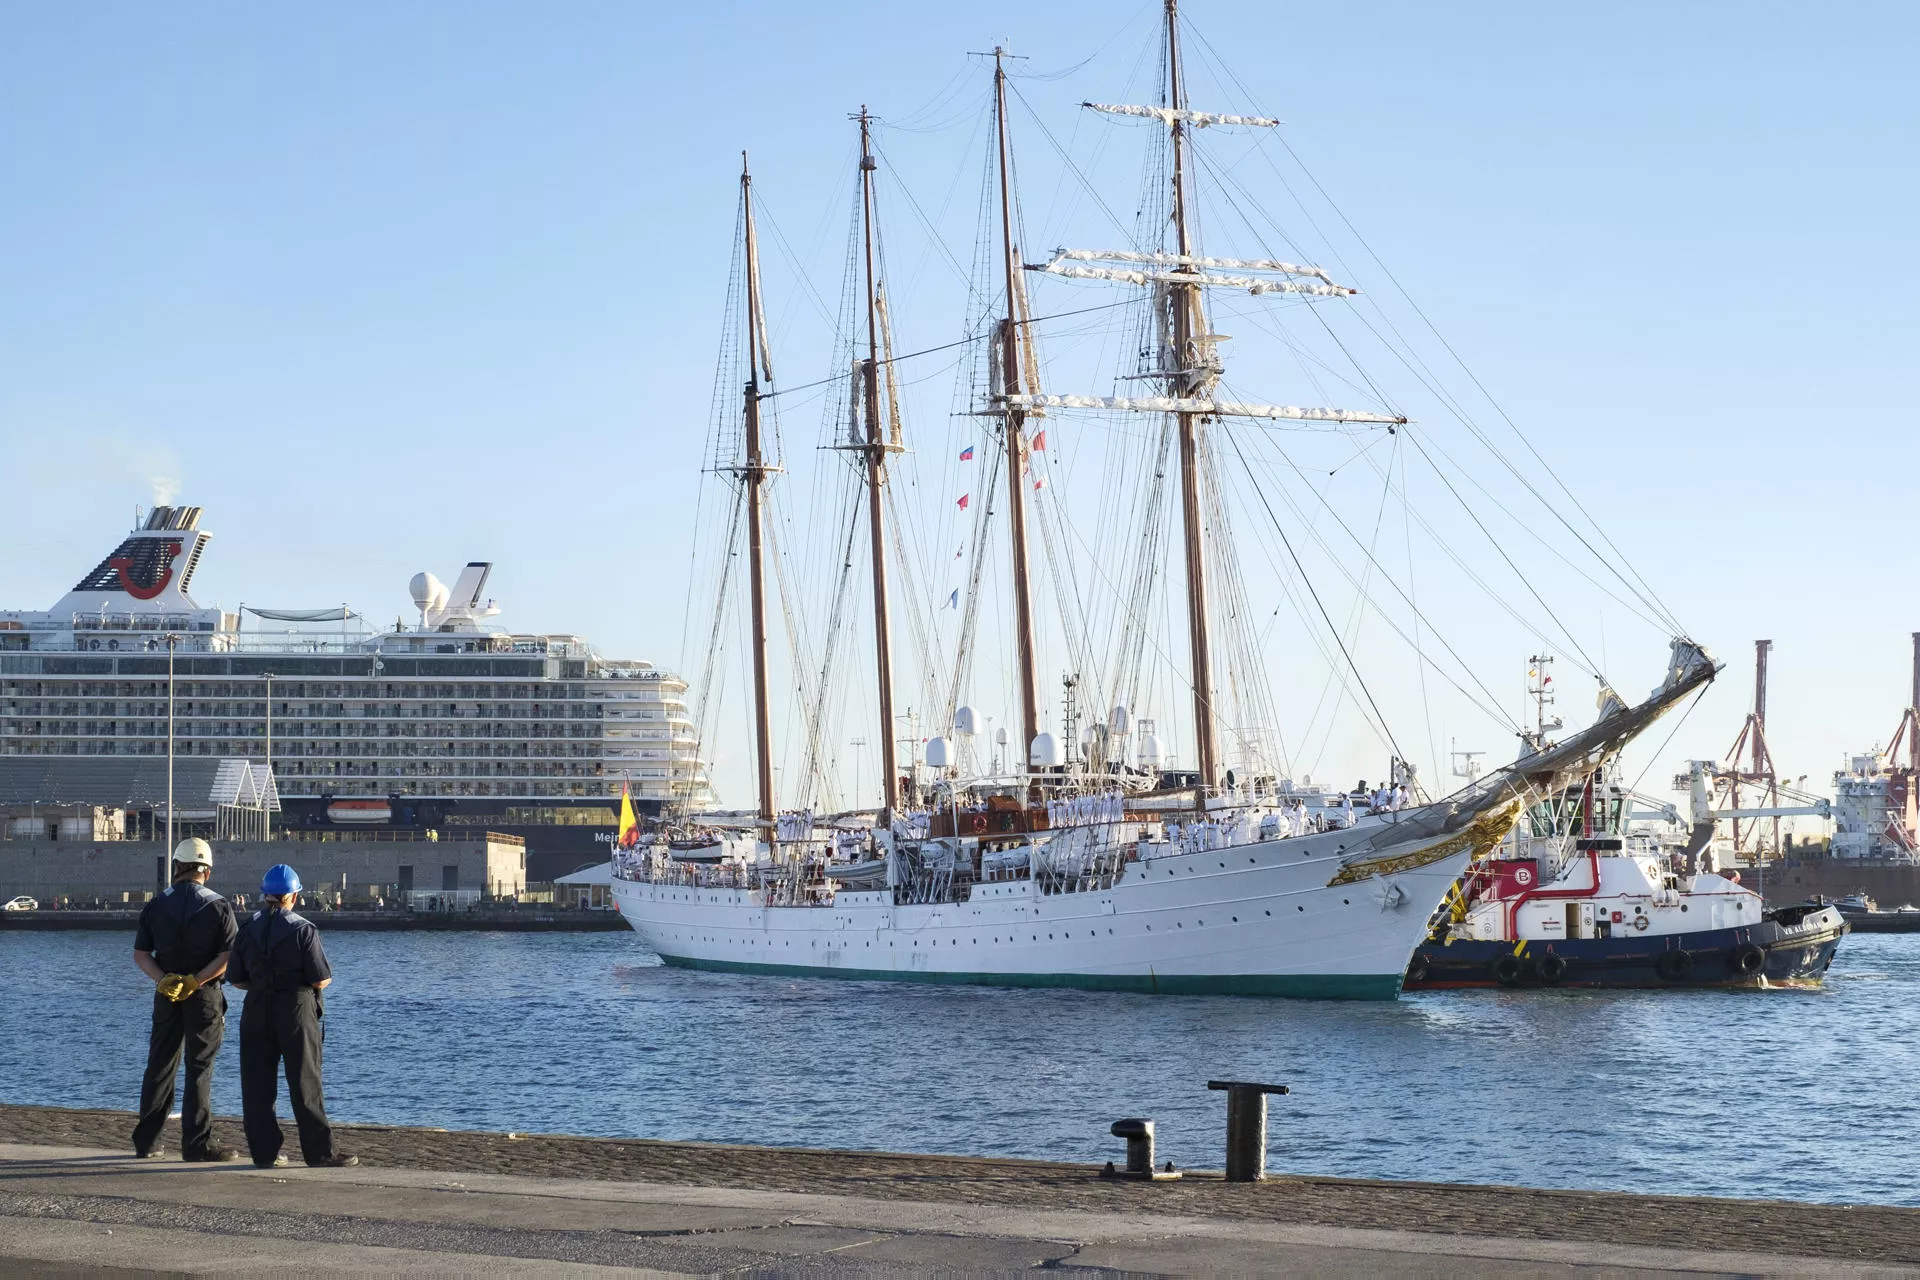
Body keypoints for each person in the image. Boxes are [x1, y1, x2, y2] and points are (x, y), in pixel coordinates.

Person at [228, 863, 357, 1169]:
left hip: (256, 1008)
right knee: (305, 1081)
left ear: (265, 895)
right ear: (294, 896)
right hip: (296, 1009)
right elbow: (320, 978)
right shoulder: (303, 929)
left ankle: (264, 1153)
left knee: (257, 1083)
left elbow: (236, 978)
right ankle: (319, 1153)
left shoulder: (247, 928)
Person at [131, 837, 241, 1162]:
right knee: (199, 1066)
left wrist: (164, 979)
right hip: (203, 996)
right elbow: (230, 954)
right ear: (206, 870)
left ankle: (147, 1142)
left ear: (176, 867)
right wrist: (196, 980)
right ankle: (197, 1143)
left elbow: (140, 955)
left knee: (160, 1064)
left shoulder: (155, 904)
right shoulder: (219, 905)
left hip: (166, 996)